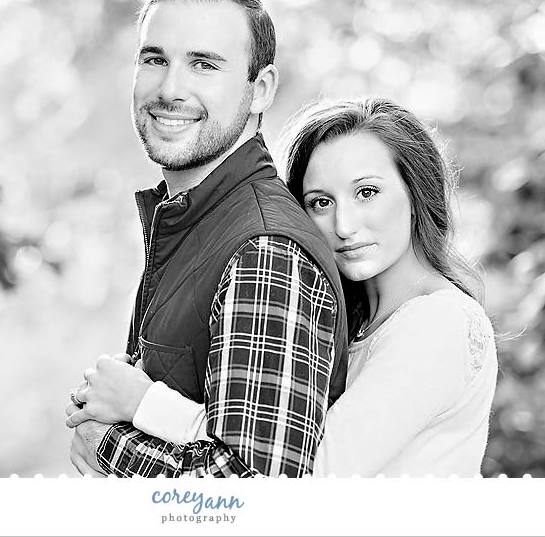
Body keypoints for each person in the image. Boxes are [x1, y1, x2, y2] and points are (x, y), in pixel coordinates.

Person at [70, 98, 499, 477]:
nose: (345, 227)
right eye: (321, 203)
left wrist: (142, 403)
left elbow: (300, 477)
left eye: (366, 192)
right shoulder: (357, 321)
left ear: (415, 190)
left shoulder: (437, 321)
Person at [64, 0, 352, 477]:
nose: (170, 89)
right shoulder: (191, 221)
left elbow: (254, 493)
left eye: (203, 64)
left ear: (259, 89)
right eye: (154, 60)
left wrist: (105, 444)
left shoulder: (265, 250)